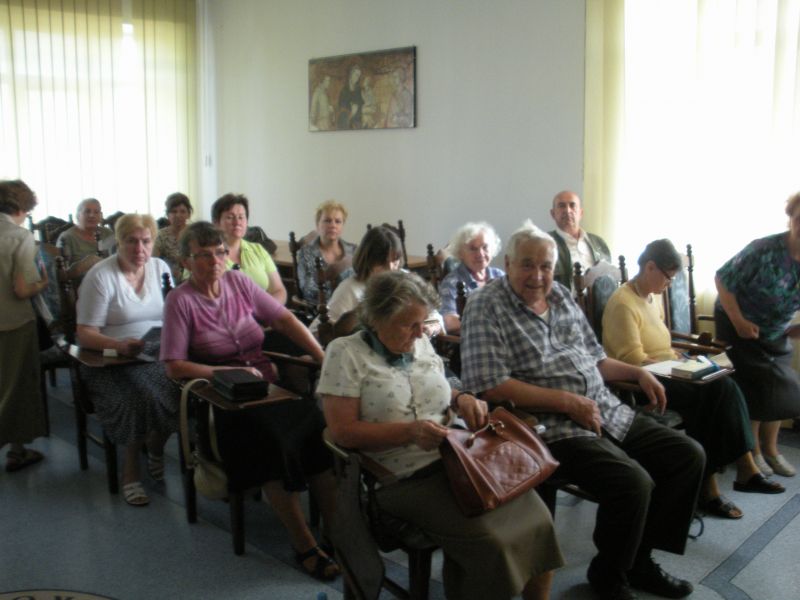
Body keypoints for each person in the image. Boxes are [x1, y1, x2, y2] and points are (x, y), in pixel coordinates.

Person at [460, 220, 704, 600]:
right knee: (632, 482)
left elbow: (596, 359)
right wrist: (567, 402)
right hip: (548, 427)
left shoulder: (559, 295)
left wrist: (637, 373)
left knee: (687, 456)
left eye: (545, 266)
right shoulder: (485, 305)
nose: (537, 276)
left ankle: (639, 561)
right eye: (527, 265)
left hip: (604, 408)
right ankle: (609, 576)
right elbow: (490, 384)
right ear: (507, 264)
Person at [319, 270, 563, 600]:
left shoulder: (419, 343)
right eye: (410, 325)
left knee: (539, 522)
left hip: (458, 457)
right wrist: (409, 432)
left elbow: (440, 387)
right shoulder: (345, 353)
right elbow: (342, 432)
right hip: (400, 478)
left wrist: (462, 399)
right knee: (492, 542)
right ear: (377, 319)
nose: (421, 332)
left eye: (423, 323)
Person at [161, 221, 339, 582]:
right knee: (271, 442)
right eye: (203, 255)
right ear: (185, 261)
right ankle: (304, 543)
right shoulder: (180, 300)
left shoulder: (238, 282)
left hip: (268, 388)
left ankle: (339, 532)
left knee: (316, 428)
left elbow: (284, 319)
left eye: (219, 252)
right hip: (224, 401)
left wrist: (324, 357)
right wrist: (224, 371)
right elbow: (174, 366)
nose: (215, 261)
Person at [603, 239, 784, 520]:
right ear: (650, 267)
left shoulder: (650, 297)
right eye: (668, 277)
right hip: (643, 383)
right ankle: (732, 476)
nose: (669, 284)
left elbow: (661, 343)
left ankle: (730, 476)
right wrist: (676, 365)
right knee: (713, 394)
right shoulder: (622, 304)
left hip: (668, 371)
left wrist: (683, 359)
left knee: (724, 385)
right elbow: (632, 360)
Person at [76, 213, 177, 507]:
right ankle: (130, 469)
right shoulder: (101, 276)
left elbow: (173, 314)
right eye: (131, 241)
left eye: (146, 241)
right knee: (136, 399)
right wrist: (118, 345)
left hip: (154, 353)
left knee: (180, 389)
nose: (139, 248)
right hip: (108, 360)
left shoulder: (160, 268)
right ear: (118, 242)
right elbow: (85, 333)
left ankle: (156, 447)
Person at [714, 191, 800, 479]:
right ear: (790, 219)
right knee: (755, 386)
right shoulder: (763, 249)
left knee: (780, 388)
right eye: (799, 219)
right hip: (737, 321)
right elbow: (722, 279)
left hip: (776, 328)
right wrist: (738, 320)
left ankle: (772, 450)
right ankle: (752, 453)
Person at [0, 180, 48, 472]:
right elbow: (22, 289)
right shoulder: (20, 237)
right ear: (22, 207)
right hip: (14, 322)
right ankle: (16, 451)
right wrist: (42, 283)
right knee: (17, 387)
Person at [309, 225, 402, 335]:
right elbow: (317, 333)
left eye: (395, 261)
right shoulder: (349, 289)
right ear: (368, 261)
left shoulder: (399, 282)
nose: (390, 268)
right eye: (382, 263)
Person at [211, 193, 287, 305]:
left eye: (241, 217)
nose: (237, 222)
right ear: (216, 223)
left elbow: (278, 290)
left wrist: (268, 310)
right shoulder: (206, 255)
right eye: (230, 217)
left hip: (264, 312)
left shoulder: (258, 250)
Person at [438, 221, 504, 334]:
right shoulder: (452, 282)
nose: (480, 254)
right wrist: (489, 324)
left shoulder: (500, 275)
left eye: (485, 247)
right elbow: (449, 323)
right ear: (460, 253)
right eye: (473, 249)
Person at [295, 200, 356, 305]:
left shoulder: (353, 251)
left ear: (342, 226)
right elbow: (307, 290)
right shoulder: (305, 253)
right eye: (327, 221)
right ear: (317, 224)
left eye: (338, 221)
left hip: (351, 307)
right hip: (319, 309)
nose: (333, 225)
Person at [548, 190, 611, 289]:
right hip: (563, 298)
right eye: (561, 206)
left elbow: (609, 279)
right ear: (553, 214)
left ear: (581, 213)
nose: (567, 210)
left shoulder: (598, 243)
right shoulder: (545, 244)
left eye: (572, 205)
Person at [56, 198, 115, 279]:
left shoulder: (108, 233)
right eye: (87, 211)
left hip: (110, 278)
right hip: (81, 282)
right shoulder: (66, 237)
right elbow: (61, 275)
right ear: (78, 215)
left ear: (101, 216)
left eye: (96, 212)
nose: (92, 215)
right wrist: (82, 266)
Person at [153, 192, 193, 281]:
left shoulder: (195, 232)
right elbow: (154, 262)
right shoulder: (161, 235)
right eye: (174, 211)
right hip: (168, 280)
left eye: (182, 211)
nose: (178, 215)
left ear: (189, 214)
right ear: (167, 214)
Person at [337, 64, 363, 129]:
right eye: (356, 75)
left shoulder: (358, 90)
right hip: (346, 123)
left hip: (357, 123)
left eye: (359, 76)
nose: (357, 78)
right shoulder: (344, 91)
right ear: (351, 74)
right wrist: (351, 112)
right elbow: (341, 109)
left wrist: (358, 108)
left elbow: (361, 105)